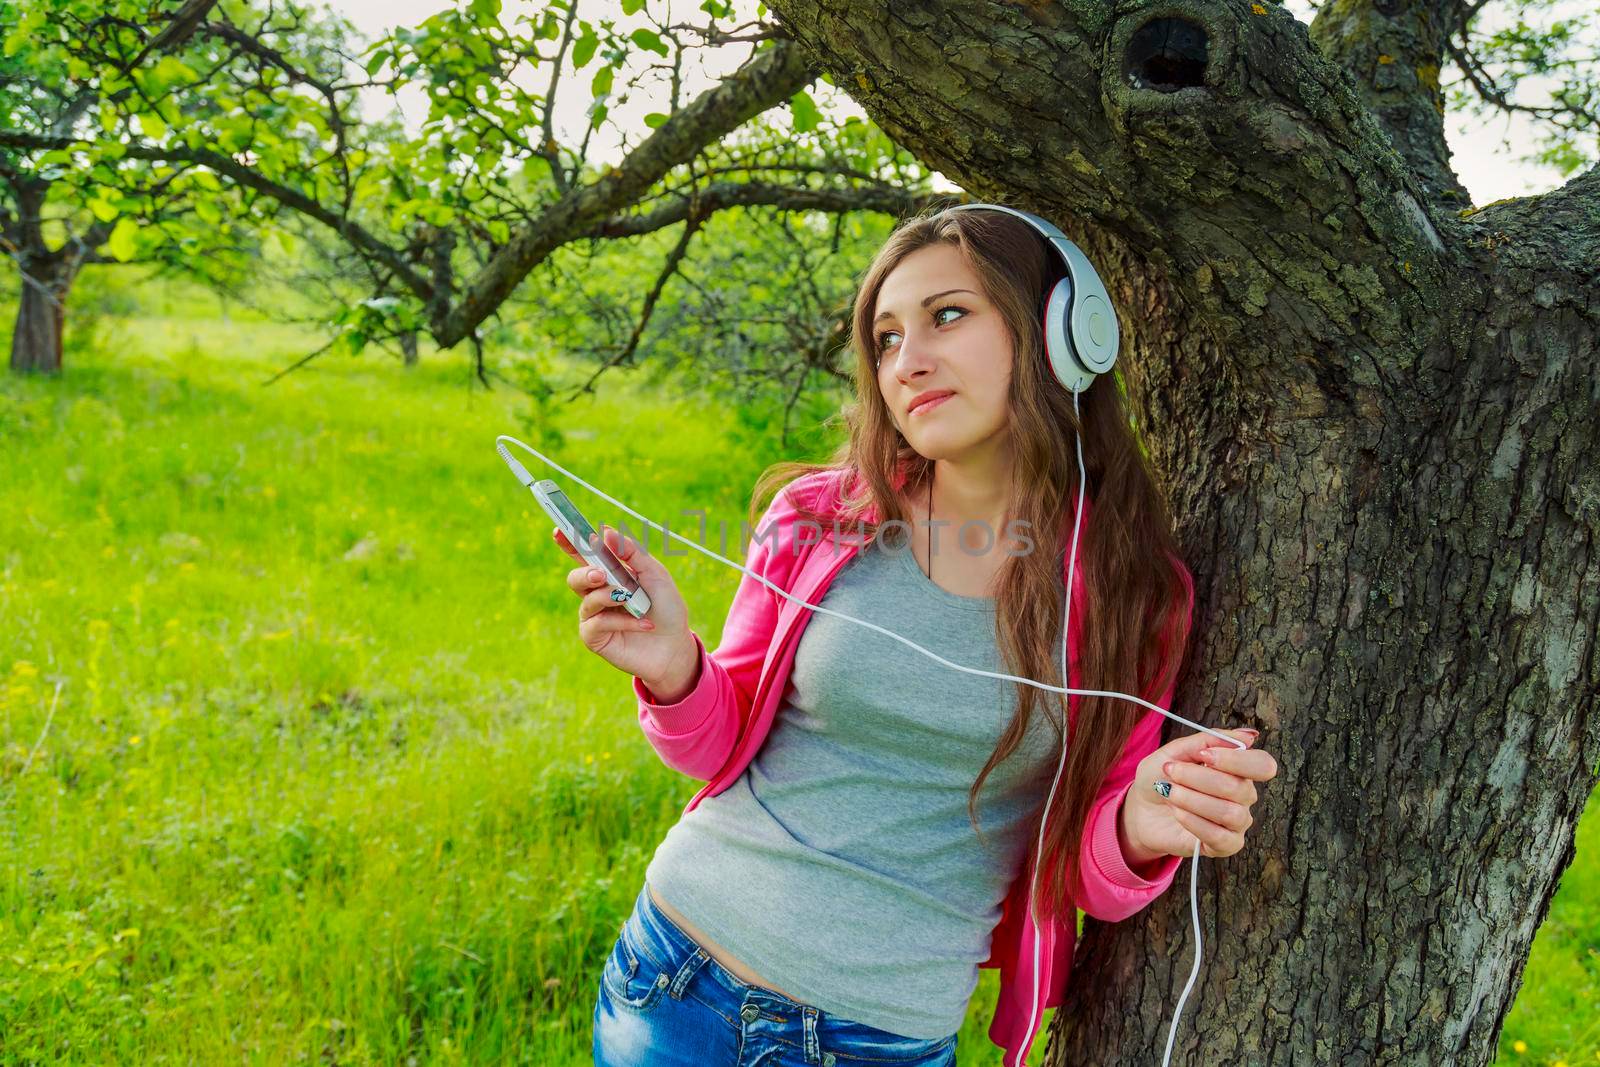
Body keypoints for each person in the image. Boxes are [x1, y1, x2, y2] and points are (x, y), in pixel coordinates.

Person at [558, 206, 1279, 1067]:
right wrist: (675, 667)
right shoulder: (817, 518)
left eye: (947, 315)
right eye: (887, 338)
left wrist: (1141, 815)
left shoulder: (1136, 594)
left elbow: (1086, 872)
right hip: (673, 980)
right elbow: (721, 741)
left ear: (1062, 335)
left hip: (879, 1037)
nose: (910, 362)